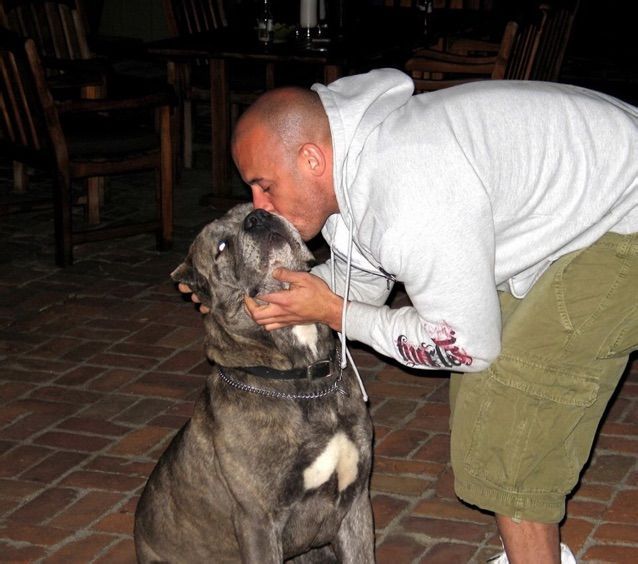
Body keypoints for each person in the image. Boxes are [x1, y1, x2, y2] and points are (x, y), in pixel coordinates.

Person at [181, 68, 638, 563]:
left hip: (625, 216)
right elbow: (364, 279)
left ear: (311, 158)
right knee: (485, 389)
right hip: (593, 208)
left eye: (264, 185)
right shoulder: (352, 160)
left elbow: (465, 346)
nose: (260, 205)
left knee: (517, 402)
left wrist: (335, 312)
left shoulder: (408, 192)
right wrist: (268, 298)